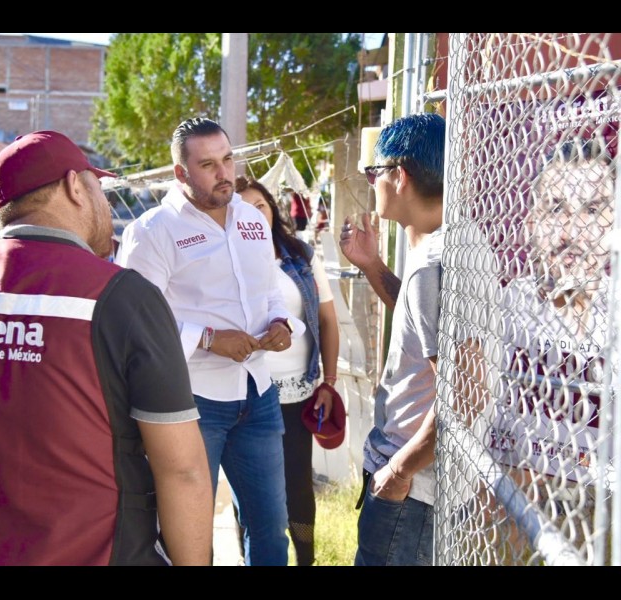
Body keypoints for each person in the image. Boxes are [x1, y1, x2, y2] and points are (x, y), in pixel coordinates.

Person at [0, 130, 214, 566]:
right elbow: (183, 471)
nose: (106, 204)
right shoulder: (122, 297)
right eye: (98, 188)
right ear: (75, 186)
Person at [116, 117, 304, 566]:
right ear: (180, 172)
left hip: (258, 394)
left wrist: (281, 322)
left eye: (228, 159)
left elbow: (269, 290)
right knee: (189, 539)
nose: (224, 173)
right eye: (208, 165)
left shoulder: (252, 218)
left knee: (270, 531)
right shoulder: (152, 231)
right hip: (190, 402)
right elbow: (132, 319)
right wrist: (206, 338)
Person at [456, 138, 615, 563]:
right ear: (530, 223)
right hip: (509, 500)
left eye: (593, 210)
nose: (572, 233)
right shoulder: (508, 305)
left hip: (601, 510)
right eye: (557, 208)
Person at [339, 113, 446, 566]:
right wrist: (371, 265)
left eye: (374, 172)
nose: (372, 184)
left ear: (399, 175)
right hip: (418, 483)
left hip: (411, 488)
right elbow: (423, 324)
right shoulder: (450, 248)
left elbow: (462, 394)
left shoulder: (431, 266)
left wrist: (399, 471)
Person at [235, 176, 340, 566]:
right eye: (242, 208)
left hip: (297, 394)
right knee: (252, 494)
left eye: (259, 205)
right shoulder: (225, 261)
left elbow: (327, 320)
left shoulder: (301, 256)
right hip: (247, 394)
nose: (252, 214)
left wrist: (328, 382)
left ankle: (306, 558)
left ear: (271, 209)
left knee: (298, 489)